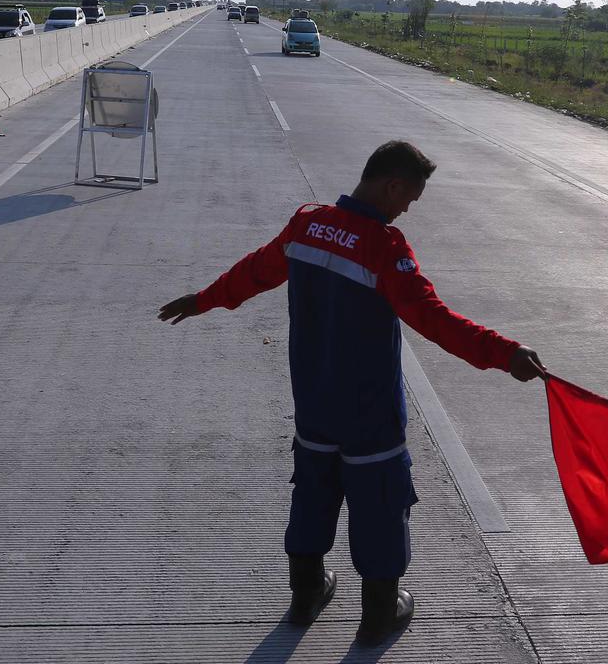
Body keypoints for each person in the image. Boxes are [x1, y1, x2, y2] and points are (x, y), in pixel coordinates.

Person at [158, 140, 544, 647]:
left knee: (313, 494)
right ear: (392, 185)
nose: (407, 210)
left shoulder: (306, 225)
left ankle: (305, 595)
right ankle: (378, 615)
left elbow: (255, 272)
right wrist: (506, 353)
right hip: (369, 414)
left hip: (313, 403)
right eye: (409, 199)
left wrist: (203, 299)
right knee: (380, 505)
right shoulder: (385, 248)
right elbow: (434, 320)